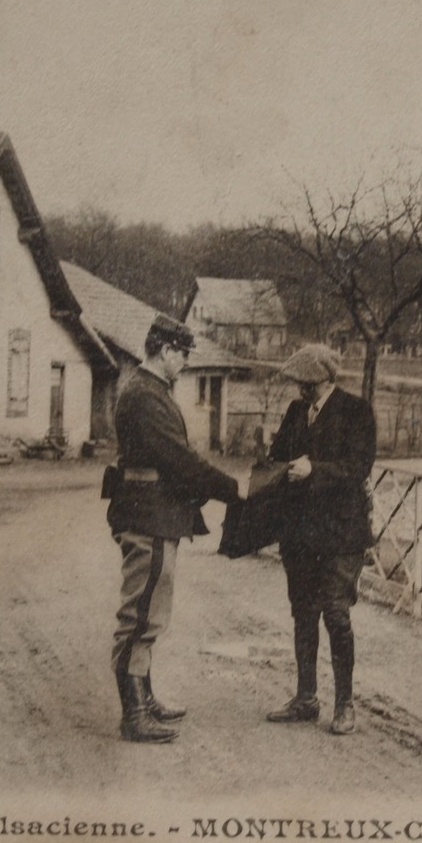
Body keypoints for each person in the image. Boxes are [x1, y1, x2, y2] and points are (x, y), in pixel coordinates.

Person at [106, 314, 242, 743]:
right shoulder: (146, 396)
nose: (184, 363)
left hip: (156, 514)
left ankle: (144, 700)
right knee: (141, 614)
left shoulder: (150, 391)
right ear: (165, 351)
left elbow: (175, 461)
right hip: (149, 515)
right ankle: (133, 715)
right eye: (183, 354)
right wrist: (232, 488)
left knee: (151, 611)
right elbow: (179, 461)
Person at [264, 343, 377, 736]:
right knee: (303, 613)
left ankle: (344, 703)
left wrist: (314, 470)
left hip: (340, 534)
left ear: (327, 379)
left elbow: (358, 466)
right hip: (300, 535)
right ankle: (305, 698)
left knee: (336, 614)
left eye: (307, 383)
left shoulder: (356, 411)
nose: (301, 389)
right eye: (299, 382)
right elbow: (278, 456)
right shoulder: (296, 412)